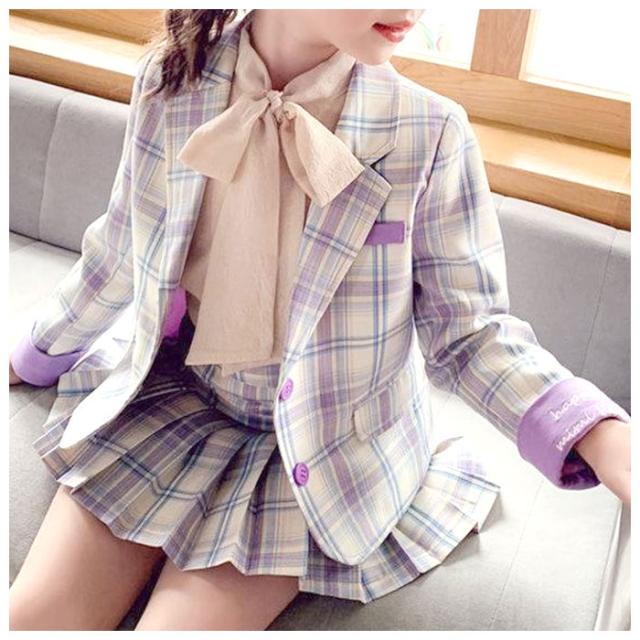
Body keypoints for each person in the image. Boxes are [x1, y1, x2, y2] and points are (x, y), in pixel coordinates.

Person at [8, 8, 631, 631]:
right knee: (33, 619)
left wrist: (596, 434)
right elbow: (122, 248)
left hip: (319, 455)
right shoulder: (174, 80)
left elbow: (468, 332)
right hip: (176, 402)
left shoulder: (428, 132)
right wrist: (33, 355)